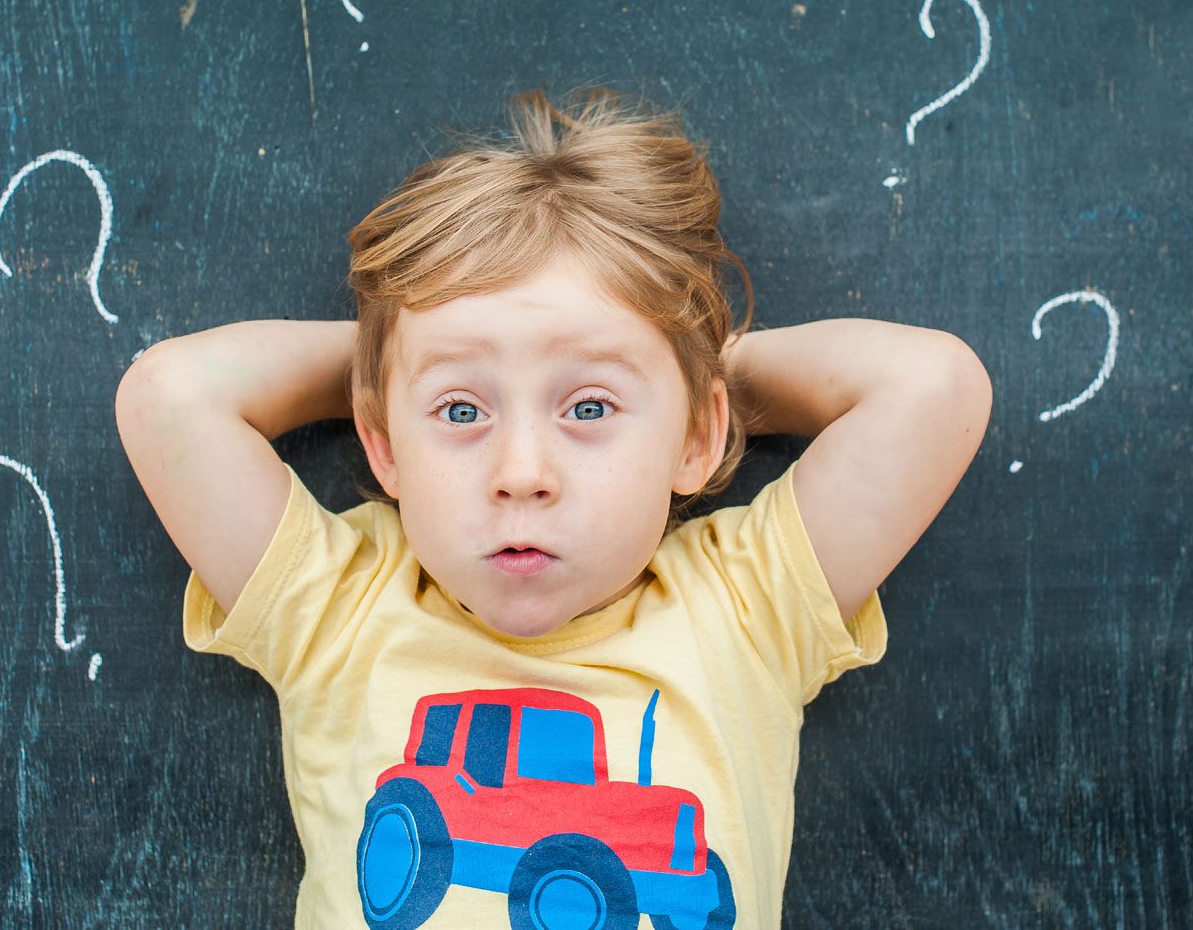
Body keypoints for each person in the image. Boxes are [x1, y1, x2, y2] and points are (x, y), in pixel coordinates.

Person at [115, 85, 992, 930]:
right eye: (461, 411)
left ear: (695, 439)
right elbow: (171, 397)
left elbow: (932, 386)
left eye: (590, 407)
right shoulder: (341, 612)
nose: (523, 472)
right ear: (383, 442)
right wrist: (406, 349)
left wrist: (682, 369)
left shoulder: (745, 612)